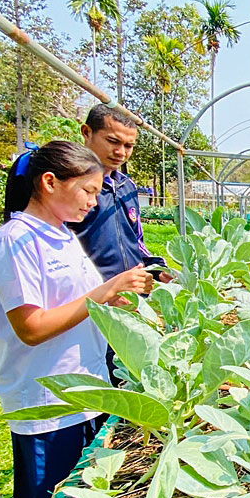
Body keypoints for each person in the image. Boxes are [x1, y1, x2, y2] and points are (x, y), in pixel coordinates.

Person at [0, 141, 153, 498]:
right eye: (88, 191)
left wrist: (115, 303)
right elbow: (31, 328)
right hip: (48, 396)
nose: (93, 202)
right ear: (49, 182)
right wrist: (104, 291)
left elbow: (76, 304)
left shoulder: (62, 235)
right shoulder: (14, 241)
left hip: (83, 387)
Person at [69, 103, 168, 382]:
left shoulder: (126, 186)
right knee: (91, 374)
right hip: (89, 304)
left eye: (129, 146)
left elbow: (135, 240)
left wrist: (157, 269)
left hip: (129, 301)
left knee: (125, 373)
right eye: (113, 141)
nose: (121, 152)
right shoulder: (71, 188)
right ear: (86, 133)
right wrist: (104, 291)